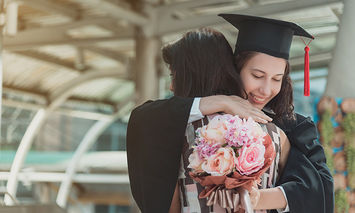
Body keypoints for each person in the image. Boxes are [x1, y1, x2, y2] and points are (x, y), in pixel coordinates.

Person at [127, 14, 333, 213]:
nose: (265, 89)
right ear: (234, 70)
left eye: (277, 79)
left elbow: (319, 188)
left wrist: (258, 199)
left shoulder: (292, 127)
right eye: (257, 75)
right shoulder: (189, 121)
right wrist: (222, 102)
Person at [160, 28, 291, 213]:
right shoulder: (279, 137)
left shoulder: (178, 131)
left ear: (191, 75)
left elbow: (168, 206)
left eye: (174, 76)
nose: (172, 86)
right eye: (258, 76)